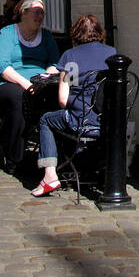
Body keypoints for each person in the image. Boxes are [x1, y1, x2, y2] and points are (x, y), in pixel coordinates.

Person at [32, 14, 116, 197]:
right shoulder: (111, 53)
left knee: (46, 119)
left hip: (80, 120)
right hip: (105, 122)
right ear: (99, 32)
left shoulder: (71, 57)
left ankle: (50, 174)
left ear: (76, 33)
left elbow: (63, 100)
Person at [0, 0, 61, 172]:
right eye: (36, 12)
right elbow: (2, 66)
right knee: (19, 98)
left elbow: (54, 62)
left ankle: (53, 157)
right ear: (24, 13)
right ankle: (15, 158)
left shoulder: (46, 36)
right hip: (8, 82)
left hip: (40, 83)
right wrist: (25, 83)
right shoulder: (8, 33)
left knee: (59, 98)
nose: (40, 16)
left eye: (42, 13)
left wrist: (44, 79)